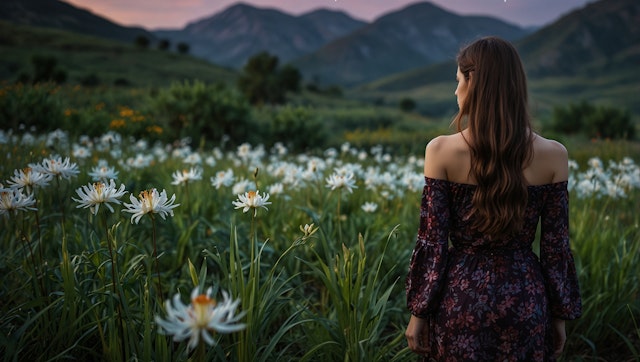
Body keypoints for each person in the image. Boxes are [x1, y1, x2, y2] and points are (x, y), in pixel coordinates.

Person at [404, 36, 582, 361]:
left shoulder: (440, 151)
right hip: (527, 300)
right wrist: (559, 316)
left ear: (472, 82)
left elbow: (433, 242)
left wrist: (419, 312)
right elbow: (556, 249)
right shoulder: (555, 155)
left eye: (457, 81)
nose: (455, 91)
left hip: (460, 301)